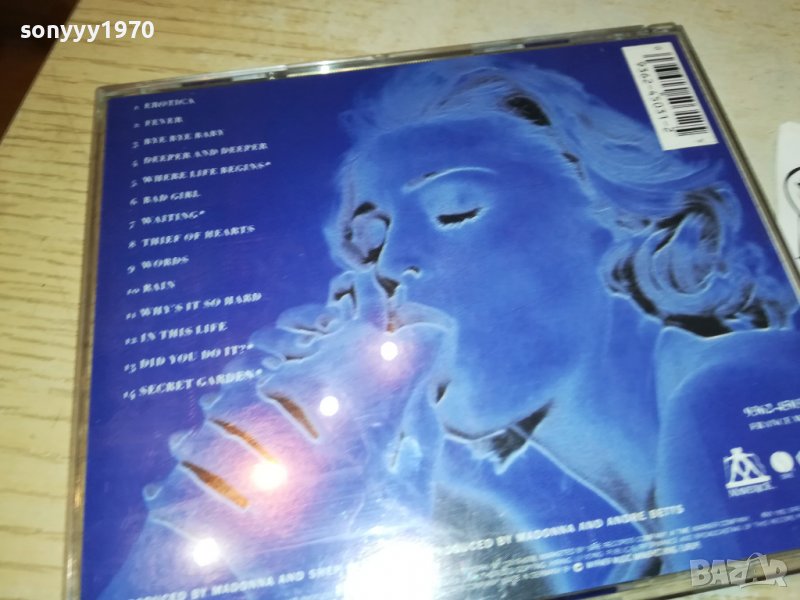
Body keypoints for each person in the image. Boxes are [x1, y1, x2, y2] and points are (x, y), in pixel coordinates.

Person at [100, 57, 800, 599]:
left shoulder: (734, 392)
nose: (392, 264)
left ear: (619, 221)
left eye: (457, 209)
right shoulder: (642, 559)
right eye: (370, 242)